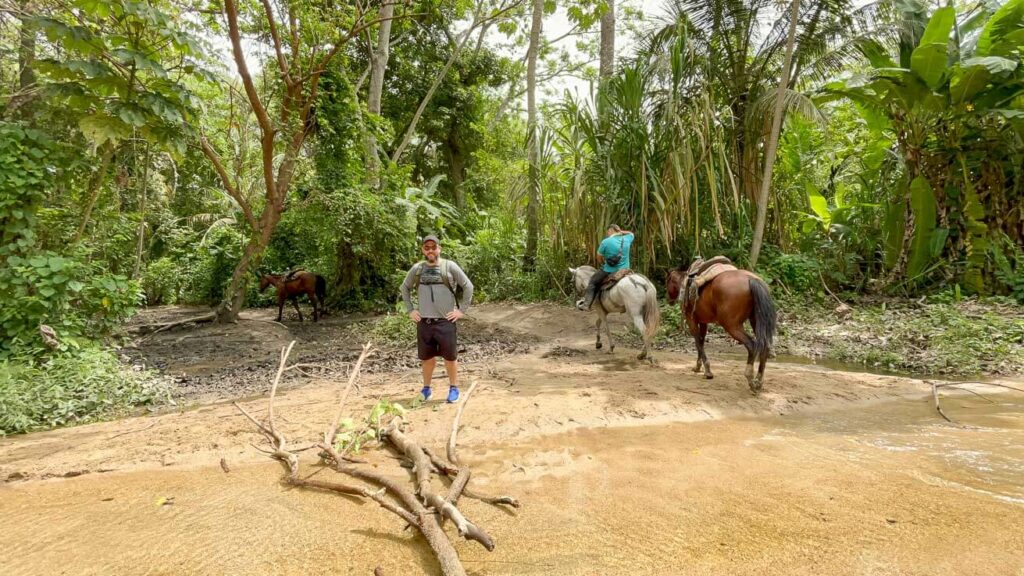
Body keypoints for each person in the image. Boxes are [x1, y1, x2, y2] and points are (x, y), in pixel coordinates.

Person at [400, 234, 474, 403]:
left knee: (450, 357)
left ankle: (454, 388)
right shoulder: (417, 269)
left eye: (434, 247)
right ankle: (426, 389)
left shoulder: (450, 266)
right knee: (426, 358)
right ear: (423, 250)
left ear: (439, 249)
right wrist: (410, 310)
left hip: (445, 321)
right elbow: (404, 287)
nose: (431, 250)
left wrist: (461, 310)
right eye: (427, 248)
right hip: (424, 322)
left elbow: (468, 286)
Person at [577, 224, 634, 310]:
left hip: (609, 270)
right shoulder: (627, 238)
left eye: (608, 231)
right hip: (625, 269)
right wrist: (620, 232)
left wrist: (603, 263)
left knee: (592, 282)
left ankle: (586, 305)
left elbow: (599, 257)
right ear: (618, 230)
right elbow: (631, 233)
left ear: (610, 230)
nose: (607, 233)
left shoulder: (605, 242)